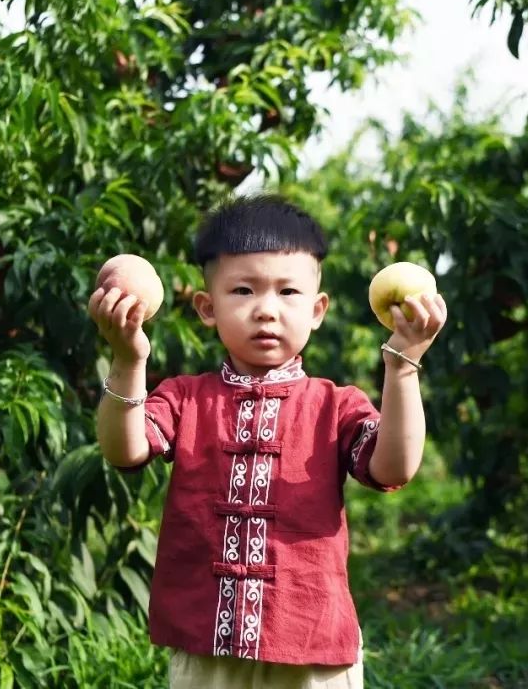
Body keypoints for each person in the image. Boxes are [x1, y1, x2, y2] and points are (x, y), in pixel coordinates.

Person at [87, 194, 447, 688]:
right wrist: (128, 360)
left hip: (312, 647)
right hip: (207, 644)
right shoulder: (186, 398)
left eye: (288, 293)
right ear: (207, 308)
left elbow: (393, 467)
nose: (266, 311)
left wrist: (402, 365)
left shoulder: (334, 405)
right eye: (243, 290)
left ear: (318, 310)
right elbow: (122, 447)